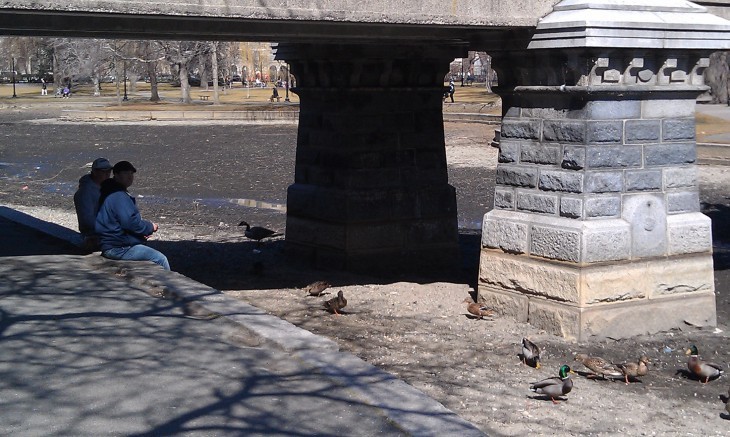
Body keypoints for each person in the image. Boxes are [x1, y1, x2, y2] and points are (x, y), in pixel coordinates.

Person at [96, 160, 170, 270]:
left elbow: (120, 223)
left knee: (144, 249)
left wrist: (140, 235)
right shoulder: (118, 195)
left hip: (111, 244)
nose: (130, 176)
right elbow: (129, 222)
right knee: (160, 259)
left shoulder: (109, 190)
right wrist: (150, 227)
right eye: (126, 173)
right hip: (117, 248)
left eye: (131, 173)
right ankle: (169, 286)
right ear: (116, 175)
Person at [73, 157, 113, 251]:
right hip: (94, 235)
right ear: (95, 172)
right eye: (104, 171)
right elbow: (88, 221)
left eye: (109, 171)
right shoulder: (86, 192)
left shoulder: (104, 186)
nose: (107, 174)